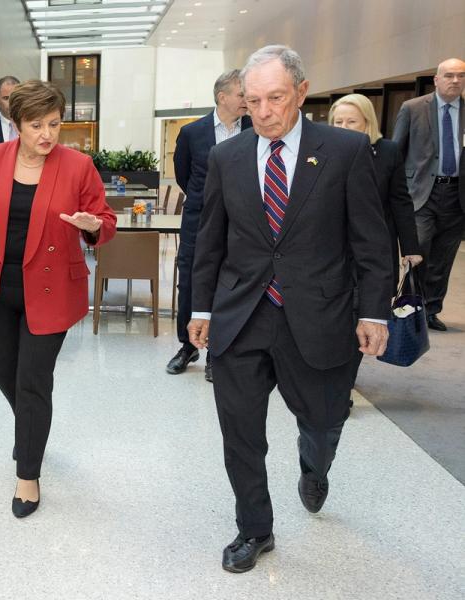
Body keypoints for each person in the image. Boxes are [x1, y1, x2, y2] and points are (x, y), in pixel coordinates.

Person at [189, 45, 392, 573]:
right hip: (242, 315)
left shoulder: (345, 150)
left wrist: (373, 312)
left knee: (323, 419)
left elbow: (371, 241)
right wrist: (201, 308)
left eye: (275, 98)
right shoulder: (227, 157)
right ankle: (254, 528)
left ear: (301, 92)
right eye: (252, 100)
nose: (263, 112)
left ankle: (314, 463)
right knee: (240, 432)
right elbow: (210, 241)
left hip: (320, 315)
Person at [0, 80, 116, 519]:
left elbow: (104, 221)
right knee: (1, 369)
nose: (47, 134)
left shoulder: (78, 166)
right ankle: (31, 425)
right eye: (37, 125)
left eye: (55, 124)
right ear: (16, 124)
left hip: (50, 289)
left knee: (33, 380)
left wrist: (93, 225)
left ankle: (28, 473)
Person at [169, 69, 252, 382]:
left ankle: (218, 351)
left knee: (230, 285)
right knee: (190, 282)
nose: (247, 100)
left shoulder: (255, 129)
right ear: (222, 97)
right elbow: (183, 175)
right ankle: (188, 347)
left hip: (243, 223)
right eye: (242, 94)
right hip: (199, 220)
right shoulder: (192, 133)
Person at [392, 58, 465, 332]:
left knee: (444, 258)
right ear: (436, 79)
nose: (455, 80)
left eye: (461, 76)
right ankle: (410, 307)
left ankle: (432, 310)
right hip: (421, 193)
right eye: (449, 75)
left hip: (457, 195)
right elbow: (396, 153)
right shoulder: (413, 108)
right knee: (418, 251)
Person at [330, 93, 422, 283]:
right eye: (338, 122)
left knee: (374, 294)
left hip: (375, 244)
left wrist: (410, 247)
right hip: (332, 246)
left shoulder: (388, 152)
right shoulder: (322, 153)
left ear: (367, 122)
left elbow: (400, 202)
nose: (343, 127)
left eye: (351, 121)